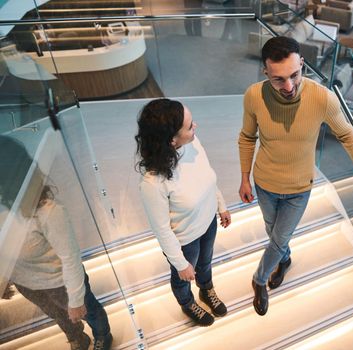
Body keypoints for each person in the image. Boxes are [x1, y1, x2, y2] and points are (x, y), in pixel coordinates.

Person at [238, 36, 353, 316]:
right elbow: (247, 137)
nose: (289, 86)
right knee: (274, 234)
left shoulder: (321, 97)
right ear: (265, 72)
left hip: (299, 188)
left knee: (279, 238)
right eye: (279, 79)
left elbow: (345, 131)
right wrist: (245, 178)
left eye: (295, 75)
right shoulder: (254, 96)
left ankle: (259, 281)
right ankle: (285, 260)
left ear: (302, 64)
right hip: (265, 183)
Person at [0, 136, 112, 350]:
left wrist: (76, 298)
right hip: (27, 284)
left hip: (59, 283)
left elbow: (70, 258)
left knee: (90, 313)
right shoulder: (3, 207)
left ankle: (103, 336)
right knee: (59, 317)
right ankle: (77, 339)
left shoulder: (48, 211)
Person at [136, 98, 231, 327]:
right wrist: (180, 263)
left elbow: (208, 177)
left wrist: (221, 205)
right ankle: (187, 302)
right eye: (189, 126)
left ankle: (206, 290)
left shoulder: (193, 144)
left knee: (205, 263)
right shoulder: (153, 182)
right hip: (185, 239)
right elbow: (161, 231)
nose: (195, 127)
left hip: (208, 223)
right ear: (172, 140)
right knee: (183, 278)